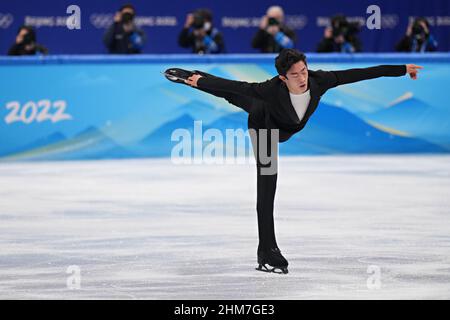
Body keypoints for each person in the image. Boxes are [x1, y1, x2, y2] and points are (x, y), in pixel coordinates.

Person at [164, 49, 423, 274]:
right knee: (266, 184)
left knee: (244, 99)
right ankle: (267, 250)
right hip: (264, 126)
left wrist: (401, 69)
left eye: (304, 71)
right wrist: (201, 83)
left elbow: (361, 73)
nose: (302, 78)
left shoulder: (320, 80)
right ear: (282, 78)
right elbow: (236, 85)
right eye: (295, 75)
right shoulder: (270, 89)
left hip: (285, 127)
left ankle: (197, 77)